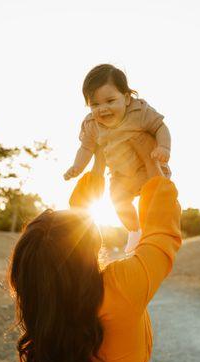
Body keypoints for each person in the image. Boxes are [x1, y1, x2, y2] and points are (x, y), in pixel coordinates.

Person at [8, 156, 181, 362]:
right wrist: (151, 163)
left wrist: (100, 161)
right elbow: (162, 232)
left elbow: (69, 236)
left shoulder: (42, 299)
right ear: (93, 242)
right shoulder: (122, 287)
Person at [63, 64, 172, 253]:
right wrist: (77, 166)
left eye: (110, 101)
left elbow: (160, 127)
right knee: (118, 201)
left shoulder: (139, 112)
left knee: (155, 200)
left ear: (127, 98)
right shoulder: (92, 124)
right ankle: (135, 231)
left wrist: (163, 147)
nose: (103, 109)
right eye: (95, 104)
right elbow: (86, 147)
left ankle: (154, 232)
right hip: (121, 176)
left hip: (147, 169)